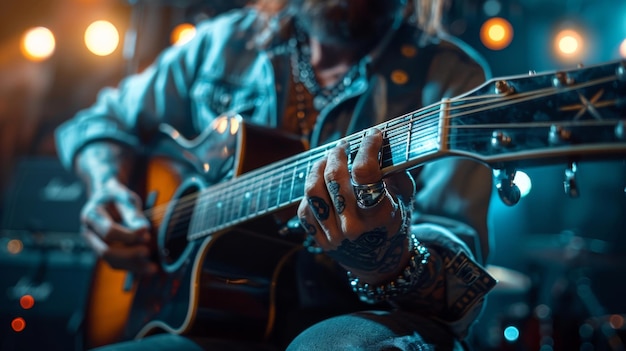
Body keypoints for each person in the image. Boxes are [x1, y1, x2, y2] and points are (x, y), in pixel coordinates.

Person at [54, 0, 497, 349]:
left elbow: (457, 289)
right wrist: (106, 187)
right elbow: (97, 123)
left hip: (350, 321)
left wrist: (390, 257)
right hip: (213, 317)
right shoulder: (224, 43)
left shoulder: (449, 78)